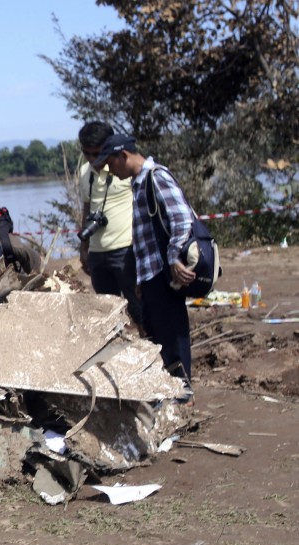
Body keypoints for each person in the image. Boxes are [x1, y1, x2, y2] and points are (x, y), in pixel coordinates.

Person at [93, 133, 194, 388]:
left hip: (163, 273)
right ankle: (169, 389)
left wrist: (173, 259)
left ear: (123, 156)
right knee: (156, 333)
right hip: (150, 274)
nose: (111, 171)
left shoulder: (155, 177)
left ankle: (183, 392)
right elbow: (143, 238)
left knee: (172, 333)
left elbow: (182, 218)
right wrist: (140, 278)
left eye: (111, 164)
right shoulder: (139, 182)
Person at [77, 121, 143, 325]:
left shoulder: (125, 169)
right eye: (86, 153)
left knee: (138, 307)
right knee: (108, 312)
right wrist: (84, 248)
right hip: (97, 252)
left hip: (126, 249)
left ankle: (150, 349)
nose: (91, 159)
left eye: (96, 154)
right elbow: (87, 208)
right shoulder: (84, 172)